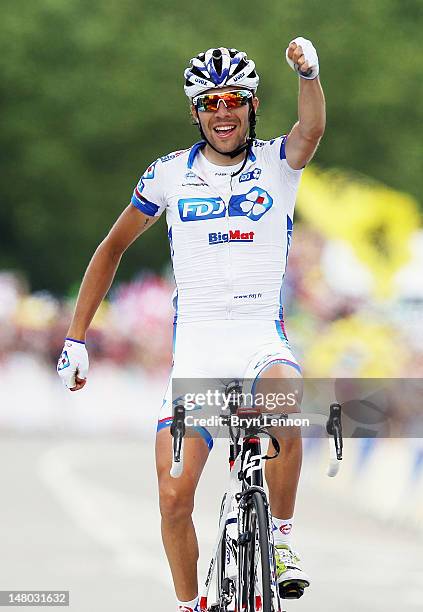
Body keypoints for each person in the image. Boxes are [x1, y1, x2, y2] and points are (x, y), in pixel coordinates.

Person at [57, 37, 325, 612]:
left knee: (286, 396)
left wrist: (309, 75)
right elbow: (111, 249)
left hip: (258, 340)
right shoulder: (168, 175)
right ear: (196, 112)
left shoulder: (278, 163)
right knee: (175, 498)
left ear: (252, 106)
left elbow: (312, 129)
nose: (221, 112)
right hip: (198, 358)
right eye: (209, 102)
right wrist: (76, 337)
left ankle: (280, 540)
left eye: (233, 99)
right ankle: (190, 605)